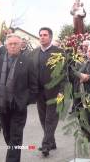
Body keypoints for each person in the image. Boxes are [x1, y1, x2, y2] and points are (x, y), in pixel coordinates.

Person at [0, 34, 38, 162]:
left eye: (15, 44)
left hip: (18, 106)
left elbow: (34, 86)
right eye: (10, 44)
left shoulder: (28, 62)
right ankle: (14, 155)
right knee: (7, 136)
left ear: (20, 45)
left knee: (16, 137)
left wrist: (25, 101)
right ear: (6, 45)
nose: (13, 46)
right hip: (2, 105)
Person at [31, 27, 63, 157]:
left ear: (50, 37)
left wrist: (62, 91)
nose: (42, 37)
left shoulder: (59, 52)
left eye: (45, 35)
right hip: (39, 93)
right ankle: (52, 142)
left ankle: (46, 145)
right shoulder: (33, 53)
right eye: (40, 35)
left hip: (55, 93)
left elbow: (64, 74)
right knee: (43, 119)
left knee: (51, 119)